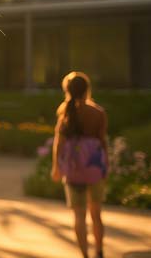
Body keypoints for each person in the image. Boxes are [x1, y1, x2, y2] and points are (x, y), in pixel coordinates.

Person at [51, 71, 108, 258]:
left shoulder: (65, 113)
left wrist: (56, 167)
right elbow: (102, 141)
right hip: (94, 169)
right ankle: (99, 251)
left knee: (79, 216)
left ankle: (84, 254)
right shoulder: (98, 113)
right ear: (87, 89)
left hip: (74, 169)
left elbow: (58, 143)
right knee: (96, 214)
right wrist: (105, 166)